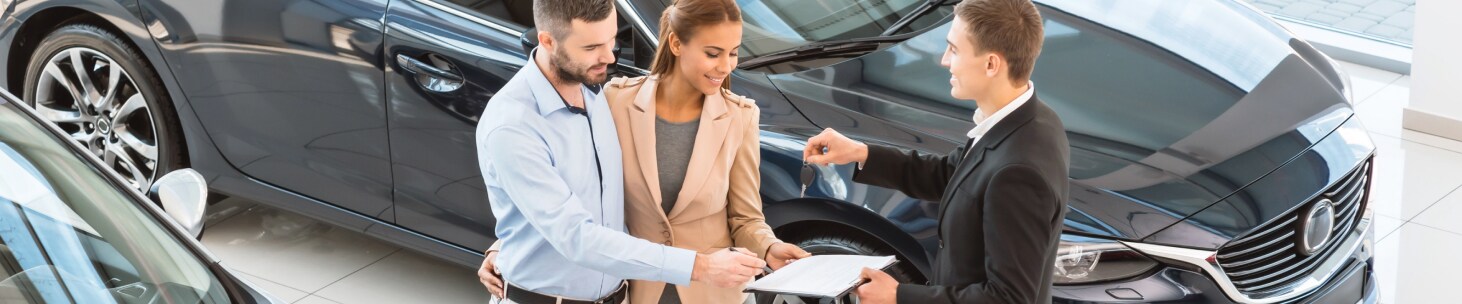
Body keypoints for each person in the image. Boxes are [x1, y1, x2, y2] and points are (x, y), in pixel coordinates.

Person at [481, 0, 811, 303]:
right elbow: (573, 233)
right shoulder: (591, 106)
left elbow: (588, 195)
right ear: (547, 41)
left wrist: (767, 246)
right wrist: (700, 266)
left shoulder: (593, 99)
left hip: (657, 295)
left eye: (612, 41)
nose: (610, 57)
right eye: (592, 47)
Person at [805, 0, 1069, 303]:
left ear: (991, 64)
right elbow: (953, 175)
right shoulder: (1031, 118)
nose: (944, 60)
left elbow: (1010, 298)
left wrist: (899, 296)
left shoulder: (1018, 173)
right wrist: (860, 153)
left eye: (954, 50)